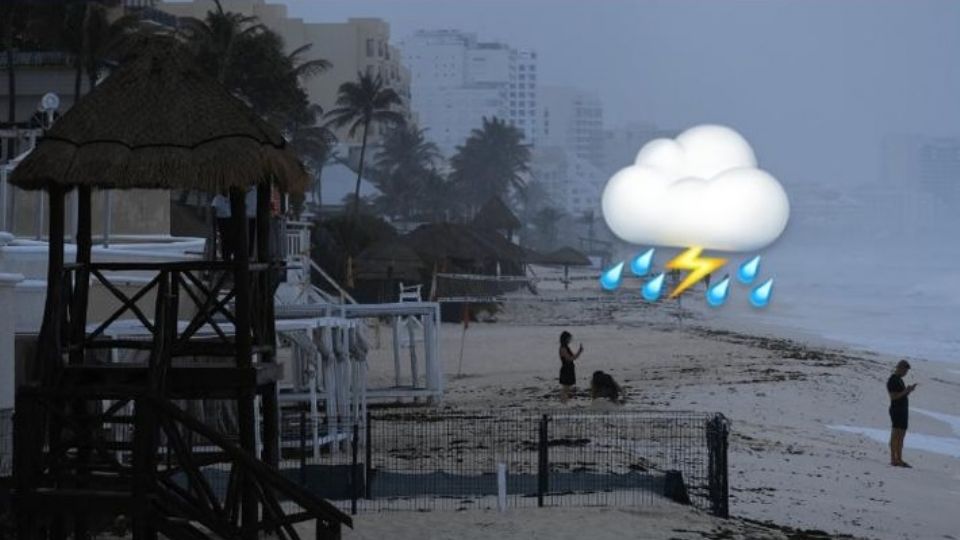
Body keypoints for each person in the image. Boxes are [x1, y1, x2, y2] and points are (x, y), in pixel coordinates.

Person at [887, 359, 917, 467]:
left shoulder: (899, 379)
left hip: (903, 409)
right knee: (896, 435)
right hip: (897, 410)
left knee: (901, 435)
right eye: (905, 371)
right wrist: (905, 391)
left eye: (907, 372)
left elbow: (901, 395)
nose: (905, 373)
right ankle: (893, 459)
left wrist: (908, 391)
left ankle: (899, 458)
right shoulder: (892, 380)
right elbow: (893, 397)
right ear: (900, 368)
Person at [558, 331, 583, 403]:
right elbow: (569, 359)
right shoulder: (563, 348)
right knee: (565, 388)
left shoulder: (566, 347)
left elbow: (572, 358)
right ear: (565, 339)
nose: (570, 340)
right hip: (566, 369)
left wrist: (579, 352)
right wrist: (579, 351)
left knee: (567, 387)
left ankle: (564, 402)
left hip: (569, 368)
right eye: (569, 338)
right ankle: (563, 403)